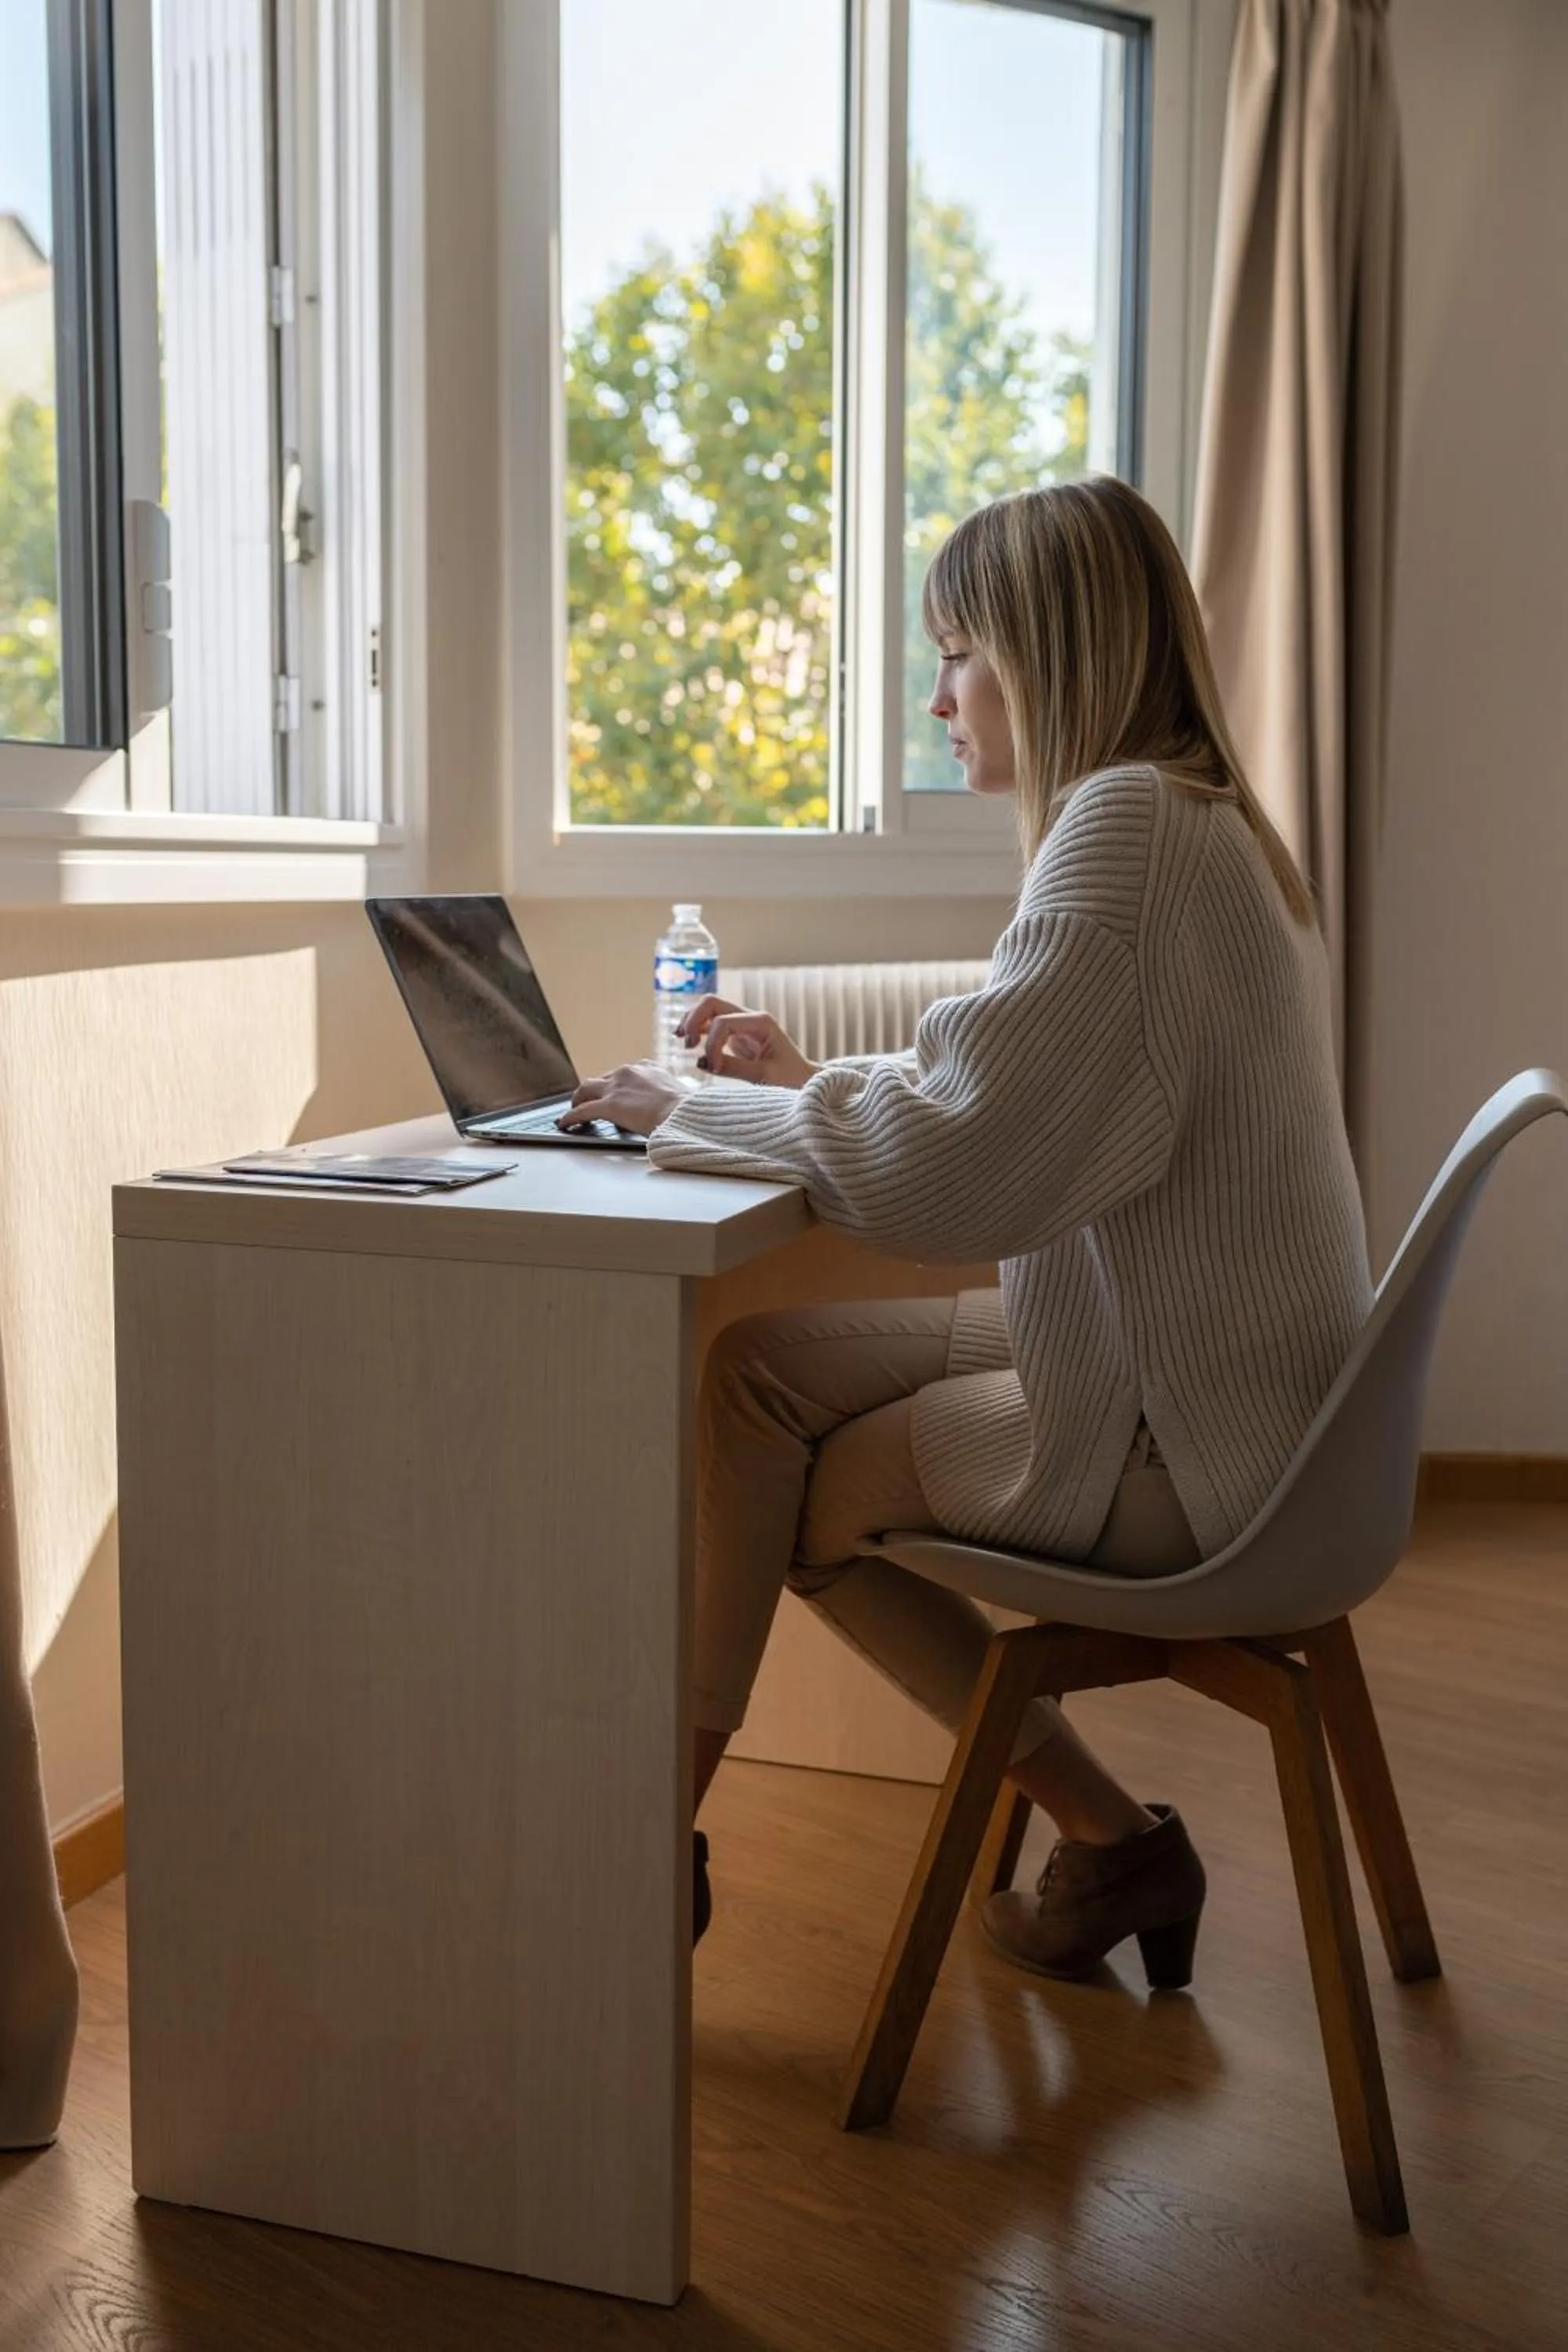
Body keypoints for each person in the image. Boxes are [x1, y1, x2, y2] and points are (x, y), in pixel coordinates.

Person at [560, 477, 1371, 1980]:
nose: (936, 696)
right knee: (755, 1374)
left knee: (800, 1506)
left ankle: (682, 1838)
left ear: (1049, 651)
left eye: (957, 651)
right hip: (1240, 1377)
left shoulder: (1123, 829)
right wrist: (810, 1082)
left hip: (1183, 1433)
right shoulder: (1205, 823)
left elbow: (960, 1177)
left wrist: (685, 1114)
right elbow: (1009, 1090)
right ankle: (1074, 1848)